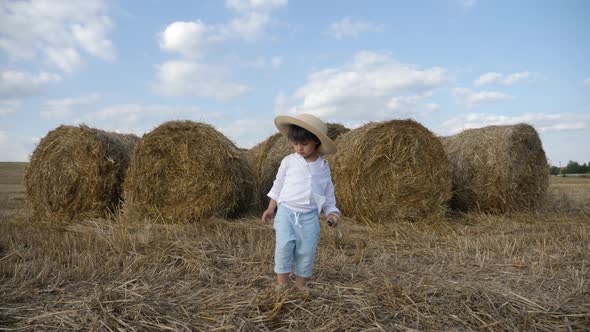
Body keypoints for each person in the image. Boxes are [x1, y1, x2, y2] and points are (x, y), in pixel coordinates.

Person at [261, 113, 340, 292]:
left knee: (307, 251)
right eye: (296, 144)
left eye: (304, 144)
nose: (299, 148)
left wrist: (332, 212)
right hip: (286, 213)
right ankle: (281, 283)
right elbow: (278, 186)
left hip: (310, 217)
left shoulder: (323, 167)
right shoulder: (288, 162)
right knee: (284, 246)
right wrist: (270, 208)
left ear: (316, 142)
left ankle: (300, 285)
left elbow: (327, 194)